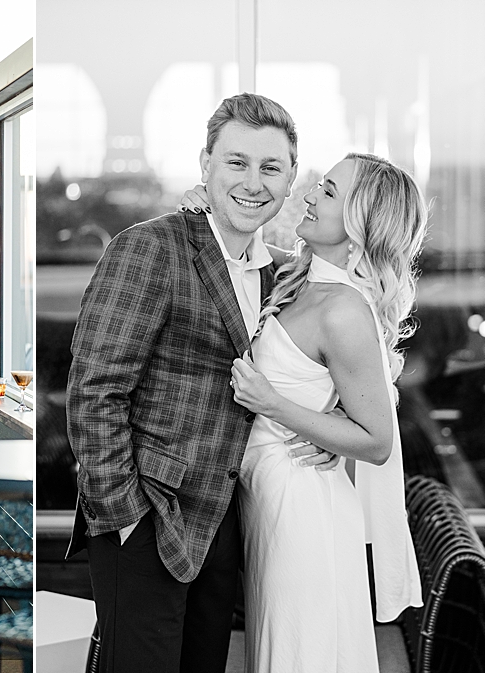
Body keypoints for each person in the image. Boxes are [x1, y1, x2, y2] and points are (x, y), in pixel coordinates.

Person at [67, 93, 308, 673]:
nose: (254, 182)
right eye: (236, 162)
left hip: (224, 517)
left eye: (271, 168)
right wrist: (125, 515)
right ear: (206, 164)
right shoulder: (149, 247)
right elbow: (93, 389)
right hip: (147, 514)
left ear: (291, 177)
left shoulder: (279, 272)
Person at [178, 153, 425, 671]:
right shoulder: (301, 277)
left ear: (361, 221)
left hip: (305, 513)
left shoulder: (344, 310)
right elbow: (239, 256)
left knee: (301, 653)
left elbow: (377, 441)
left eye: (329, 191)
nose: (310, 195)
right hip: (267, 500)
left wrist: (276, 405)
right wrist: (209, 213)